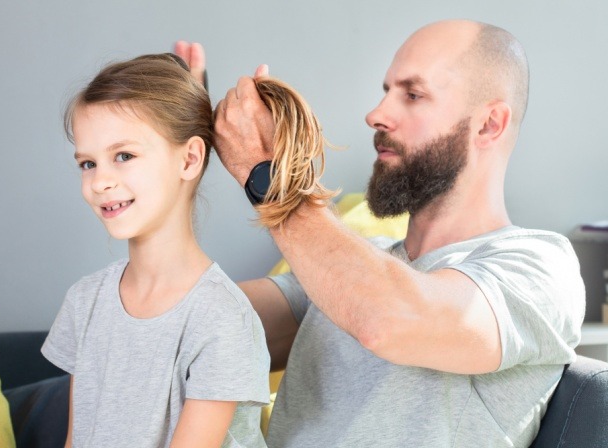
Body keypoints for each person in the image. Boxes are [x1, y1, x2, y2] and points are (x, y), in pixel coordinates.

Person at [184, 19, 586, 447]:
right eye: (386, 91)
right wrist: (169, 166)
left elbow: (386, 318)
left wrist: (266, 177)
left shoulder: (539, 267)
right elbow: (196, 325)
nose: (376, 115)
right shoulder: (353, 267)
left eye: (413, 95)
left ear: (488, 124)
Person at [40, 53, 271, 448]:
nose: (99, 182)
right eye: (88, 164)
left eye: (123, 156)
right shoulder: (85, 301)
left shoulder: (221, 319)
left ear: (190, 158)